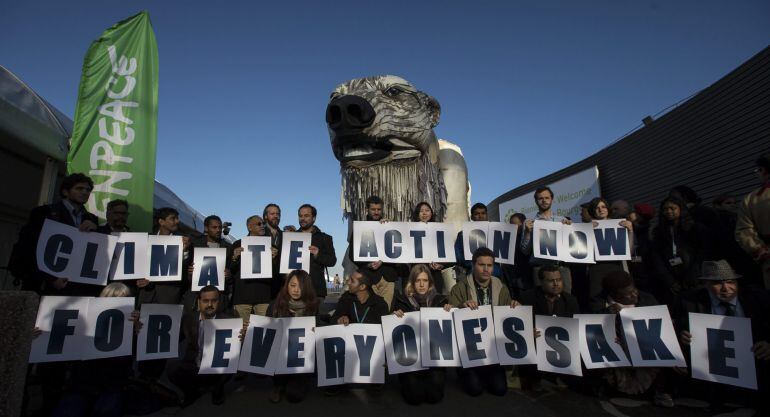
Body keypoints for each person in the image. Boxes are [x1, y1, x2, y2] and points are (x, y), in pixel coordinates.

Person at [675, 260, 770, 411]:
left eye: (731, 282)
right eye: (717, 283)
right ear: (705, 284)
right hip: (712, 373)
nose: (726, 288)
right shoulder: (689, 302)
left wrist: (768, 344)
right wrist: (681, 336)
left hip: (757, 367)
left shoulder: (758, 298)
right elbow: (676, 327)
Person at [51, 283, 139, 417]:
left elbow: (134, 353)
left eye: (122, 299)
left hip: (113, 381)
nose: (116, 303)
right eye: (111, 298)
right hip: (83, 379)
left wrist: (137, 329)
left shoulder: (131, 323)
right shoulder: (85, 316)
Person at [590, 271, 673, 407]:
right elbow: (589, 328)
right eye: (627, 294)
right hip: (615, 348)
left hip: (644, 347)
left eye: (634, 290)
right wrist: (606, 315)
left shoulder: (647, 299)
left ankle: (660, 391)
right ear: (615, 295)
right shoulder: (599, 303)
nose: (634, 295)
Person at [11, 173, 100, 296]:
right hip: (45, 287)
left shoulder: (92, 219)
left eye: (88, 190)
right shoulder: (43, 213)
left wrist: (97, 231)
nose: (85, 192)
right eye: (79, 188)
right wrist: (50, 279)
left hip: (77, 288)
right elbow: (28, 250)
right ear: (65, 192)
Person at [448, 247, 520, 397]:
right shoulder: (459, 288)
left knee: (500, 390)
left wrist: (515, 309)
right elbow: (450, 318)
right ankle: (463, 371)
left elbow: (507, 316)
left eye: (490, 265)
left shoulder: (501, 287)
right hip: (470, 349)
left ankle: (487, 372)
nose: (486, 269)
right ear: (473, 265)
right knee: (475, 390)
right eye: (482, 265)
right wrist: (462, 307)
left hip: (493, 349)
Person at [136, 207, 191, 384]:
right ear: (160, 221)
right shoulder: (145, 240)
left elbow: (185, 268)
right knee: (143, 335)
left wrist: (184, 251)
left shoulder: (183, 241)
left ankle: (154, 378)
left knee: (162, 339)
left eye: (177, 218)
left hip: (169, 296)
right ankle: (142, 375)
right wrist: (140, 278)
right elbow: (137, 264)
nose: (176, 222)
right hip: (147, 295)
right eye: (172, 218)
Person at [391, 264, 450, 405]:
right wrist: (394, 316)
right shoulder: (402, 302)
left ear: (430, 282)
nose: (422, 284)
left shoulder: (440, 301)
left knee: (435, 397)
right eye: (418, 281)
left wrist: (448, 311)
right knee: (414, 399)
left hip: (434, 359)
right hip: (411, 359)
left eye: (425, 280)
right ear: (412, 283)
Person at [169, 285, 235, 406]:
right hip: (193, 363)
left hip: (215, 365)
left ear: (218, 302)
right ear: (199, 302)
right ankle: (192, 392)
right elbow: (173, 338)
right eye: (205, 301)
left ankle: (217, 388)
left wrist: (241, 337)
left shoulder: (228, 321)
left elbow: (236, 349)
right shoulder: (189, 319)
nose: (210, 304)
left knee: (229, 369)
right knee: (172, 371)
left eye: (214, 300)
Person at [518, 265, 580, 392]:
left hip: (561, 346)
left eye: (559, 280)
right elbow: (519, 325)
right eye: (551, 281)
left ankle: (560, 376)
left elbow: (576, 326)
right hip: (536, 344)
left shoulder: (570, 301)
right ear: (541, 282)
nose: (556, 284)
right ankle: (533, 378)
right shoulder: (527, 297)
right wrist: (528, 332)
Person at [266, 270, 320, 403]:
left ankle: (300, 380)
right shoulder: (275, 305)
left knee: (294, 396)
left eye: (301, 286)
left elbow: (320, 328)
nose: (296, 290)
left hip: (301, 355)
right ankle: (277, 384)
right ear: (287, 286)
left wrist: (316, 329)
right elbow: (266, 329)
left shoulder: (314, 306)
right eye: (293, 285)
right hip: (280, 353)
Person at [651, 196, 716, 307]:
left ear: (681, 209)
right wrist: (669, 281)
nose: (669, 211)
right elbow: (657, 257)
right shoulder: (659, 232)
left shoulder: (695, 228)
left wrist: (694, 274)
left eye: (673, 208)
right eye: (665, 209)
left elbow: (703, 252)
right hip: (672, 280)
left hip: (695, 279)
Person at [348, 195, 407, 310]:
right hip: (368, 277)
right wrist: (367, 264)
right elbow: (352, 255)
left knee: (387, 312)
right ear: (367, 210)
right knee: (371, 312)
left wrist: (390, 227)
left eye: (378, 209)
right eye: (373, 209)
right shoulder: (359, 228)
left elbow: (399, 252)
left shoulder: (390, 226)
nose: (376, 212)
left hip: (388, 278)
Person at [520, 186, 573, 293]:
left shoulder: (562, 220)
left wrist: (570, 230)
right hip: (540, 268)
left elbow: (572, 246)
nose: (544, 201)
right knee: (543, 303)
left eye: (547, 198)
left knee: (566, 300)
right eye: (540, 198)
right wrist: (527, 233)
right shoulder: (530, 223)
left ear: (552, 199)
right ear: (536, 201)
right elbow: (524, 251)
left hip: (560, 268)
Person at [586, 197, 634, 301]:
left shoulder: (620, 225)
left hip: (616, 266)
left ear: (608, 209)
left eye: (603, 207)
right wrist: (586, 231)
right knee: (598, 300)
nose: (601, 209)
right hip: (596, 269)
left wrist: (630, 231)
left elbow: (629, 252)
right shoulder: (586, 227)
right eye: (597, 207)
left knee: (622, 298)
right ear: (592, 211)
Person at [736, 153, 770, 289]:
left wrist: (760, 250)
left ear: (763, 170)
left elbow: (744, 231)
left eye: (757, 170)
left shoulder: (751, 199)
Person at [231, 215, 274, 319]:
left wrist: (275, 259)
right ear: (249, 227)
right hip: (242, 297)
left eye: (263, 223)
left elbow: (276, 273)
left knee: (264, 330)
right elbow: (230, 270)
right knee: (241, 331)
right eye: (259, 224)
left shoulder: (270, 246)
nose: (262, 226)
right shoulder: (237, 244)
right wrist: (234, 258)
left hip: (264, 297)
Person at [297, 204, 337, 303]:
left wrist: (318, 255)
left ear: (314, 218)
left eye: (306, 216)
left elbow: (332, 261)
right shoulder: (290, 236)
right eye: (300, 216)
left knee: (314, 318)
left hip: (315, 290)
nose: (302, 218)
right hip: (295, 289)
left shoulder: (325, 238)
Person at [411, 201, 451, 294]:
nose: (424, 213)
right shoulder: (409, 230)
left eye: (427, 210)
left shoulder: (440, 230)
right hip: (417, 274)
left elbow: (449, 256)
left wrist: (441, 264)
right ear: (417, 214)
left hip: (435, 275)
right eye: (421, 211)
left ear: (431, 213)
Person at [502, 212, 531, 298]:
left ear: (523, 223)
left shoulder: (527, 237)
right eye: (510, 224)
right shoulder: (509, 238)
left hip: (525, 277)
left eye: (515, 224)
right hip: (513, 277)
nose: (512, 227)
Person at [263, 203, 285, 297]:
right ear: (265, 216)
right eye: (272, 214)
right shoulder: (258, 235)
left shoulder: (286, 236)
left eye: (278, 214)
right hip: (264, 285)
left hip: (282, 285)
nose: (276, 216)